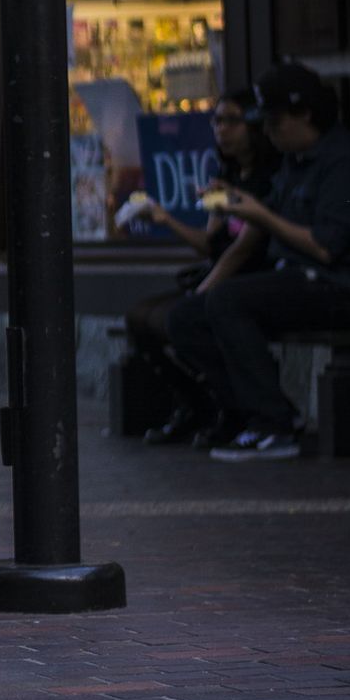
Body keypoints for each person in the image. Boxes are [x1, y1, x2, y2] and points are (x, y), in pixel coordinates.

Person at [168, 63, 350, 461]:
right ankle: (245, 415)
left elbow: (327, 248)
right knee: (187, 316)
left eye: (274, 122)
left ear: (304, 115)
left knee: (230, 302)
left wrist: (261, 215)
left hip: (349, 286)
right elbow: (259, 225)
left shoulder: (343, 163)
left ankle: (274, 423)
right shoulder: (293, 162)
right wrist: (232, 202)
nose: (268, 132)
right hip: (299, 277)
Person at [128, 90, 279, 445]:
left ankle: (230, 409)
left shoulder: (269, 180)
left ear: (254, 126)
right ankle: (193, 404)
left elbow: (242, 251)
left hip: (250, 277)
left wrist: (204, 289)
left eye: (231, 121)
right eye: (216, 120)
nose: (220, 129)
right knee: (139, 318)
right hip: (219, 274)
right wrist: (167, 219)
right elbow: (210, 244)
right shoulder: (225, 176)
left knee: (184, 318)